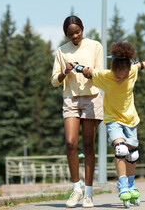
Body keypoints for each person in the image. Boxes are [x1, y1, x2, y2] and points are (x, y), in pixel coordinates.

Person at [81, 42, 145, 208]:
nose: (120, 80)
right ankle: (122, 185)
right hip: (113, 119)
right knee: (121, 150)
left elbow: (142, 65)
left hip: (131, 119)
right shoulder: (104, 76)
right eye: (117, 77)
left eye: (124, 77)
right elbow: (89, 72)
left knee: (132, 155)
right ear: (112, 71)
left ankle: (131, 184)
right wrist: (81, 69)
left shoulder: (132, 71)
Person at [51, 15, 104, 208]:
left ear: (83, 28)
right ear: (66, 34)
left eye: (77, 32)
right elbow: (54, 80)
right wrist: (65, 71)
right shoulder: (61, 51)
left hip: (91, 98)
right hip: (71, 99)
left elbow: (101, 74)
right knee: (71, 143)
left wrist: (90, 72)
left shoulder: (95, 46)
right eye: (71, 34)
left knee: (88, 146)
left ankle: (89, 193)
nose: (75, 36)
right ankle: (76, 189)